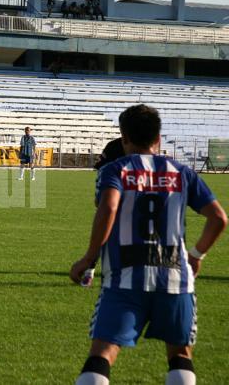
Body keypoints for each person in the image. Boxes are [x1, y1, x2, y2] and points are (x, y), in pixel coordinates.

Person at [70, 104, 227, 385]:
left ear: (124, 138)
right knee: (180, 355)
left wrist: (89, 258)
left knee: (101, 355)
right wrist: (196, 254)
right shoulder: (181, 172)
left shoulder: (114, 170)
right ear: (159, 138)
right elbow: (218, 218)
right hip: (175, 277)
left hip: (124, 277)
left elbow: (108, 208)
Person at [80, 137, 126, 288]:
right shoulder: (114, 146)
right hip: (115, 195)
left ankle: (91, 272)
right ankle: (90, 272)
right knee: (104, 235)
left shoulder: (144, 147)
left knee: (106, 236)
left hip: (131, 201)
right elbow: (101, 168)